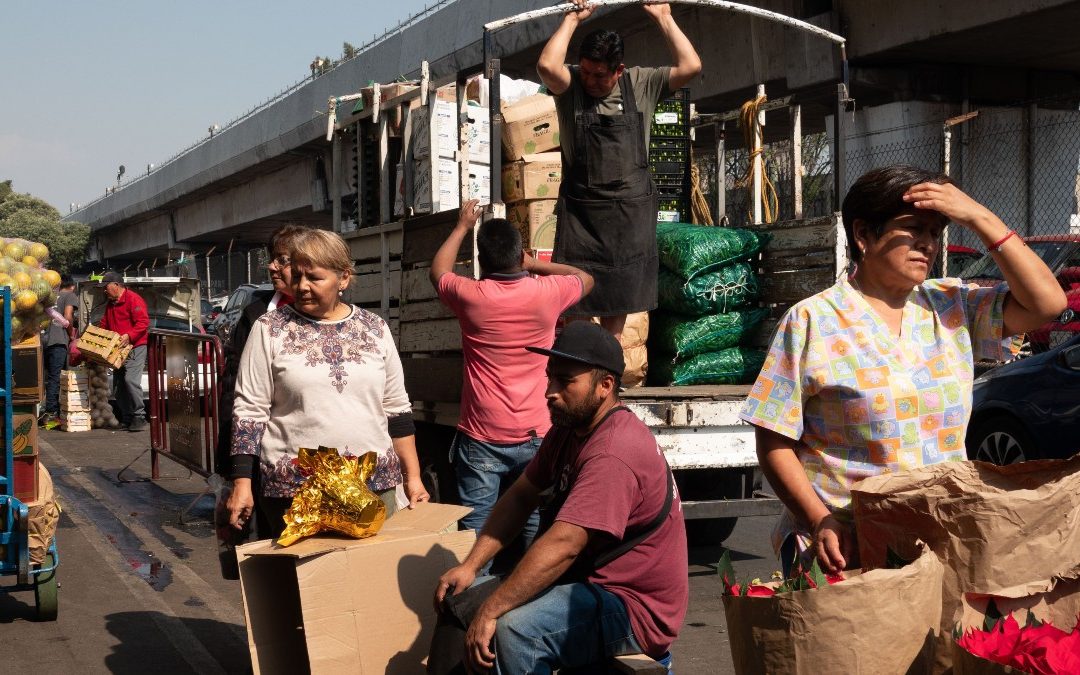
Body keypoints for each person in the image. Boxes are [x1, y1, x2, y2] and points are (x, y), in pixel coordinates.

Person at [740, 165, 1068, 574]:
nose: (927, 244)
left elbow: (1047, 304)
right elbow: (774, 439)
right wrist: (817, 518)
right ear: (863, 234)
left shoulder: (952, 305)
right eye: (913, 228)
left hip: (939, 538)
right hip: (845, 544)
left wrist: (980, 218)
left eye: (935, 231)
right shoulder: (812, 321)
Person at [432, 321, 687, 674]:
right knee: (458, 601)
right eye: (550, 378)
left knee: (517, 631)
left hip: (632, 606)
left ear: (605, 386)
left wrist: (492, 610)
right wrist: (471, 566)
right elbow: (521, 495)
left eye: (565, 381)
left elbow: (565, 543)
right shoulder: (568, 430)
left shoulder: (614, 451)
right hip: (586, 582)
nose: (550, 391)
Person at [225, 228, 429, 539]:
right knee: (305, 584)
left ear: (343, 278)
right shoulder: (268, 329)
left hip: (374, 486)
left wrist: (412, 477)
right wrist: (241, 483)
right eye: (298, 276)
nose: (303, 287)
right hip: (296, 491)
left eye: (315, 278)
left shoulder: (375, 329)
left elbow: (397, 409)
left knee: (368, 583)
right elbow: (249, 412)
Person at [430, 200, 594, 571]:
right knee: (532, 525)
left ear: (481, 263)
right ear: (519, 255)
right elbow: (585, 278)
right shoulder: (546, 293)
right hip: (538, 432)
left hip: (482, 435)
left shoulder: (470, 296)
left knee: (476, 531)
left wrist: (461, 226)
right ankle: (520, 603)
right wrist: (533, 264)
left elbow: (438, 271)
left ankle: (470, 608)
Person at [536, 0, 701, 343]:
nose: (591, 81)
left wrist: (664, 17)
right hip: (583, 214)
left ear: (619, 70)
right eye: (586, 71)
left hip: (629, 214)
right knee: (577, 301)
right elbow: (547, 65)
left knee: (618, 304)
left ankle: (607, 370)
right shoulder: (570, 89)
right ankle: (581, 369)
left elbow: (691, 65)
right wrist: (571, 20)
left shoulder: (643, 83)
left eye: (600, 75)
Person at [215, 224, 307, 536]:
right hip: (267, 464)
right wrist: (232, 469)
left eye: (281, 260)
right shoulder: (256, 315)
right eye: (273, 258)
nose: (271, 266)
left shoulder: (352, 322)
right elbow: (234, 391)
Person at [98, 271, 150, 432]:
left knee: (130, 380)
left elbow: (143, 322)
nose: (104, 291)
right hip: (118, 350)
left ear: (117, 285)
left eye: (106, 287)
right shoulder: (110, 304)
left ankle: (139, 417)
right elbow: (104, 324)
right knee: (119, 386)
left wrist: (130, 335)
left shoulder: (134, 299)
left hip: (136, 346)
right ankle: (127, 418)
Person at [40, 275, 79, 427]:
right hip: (58, 341)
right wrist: (71, 334)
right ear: (72, 286)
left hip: (43, 341)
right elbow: (68, 317)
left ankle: (46, 409)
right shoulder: (70, 295)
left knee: (47, 377)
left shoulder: (49, 296)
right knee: (56, 377)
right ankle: (51, 413)